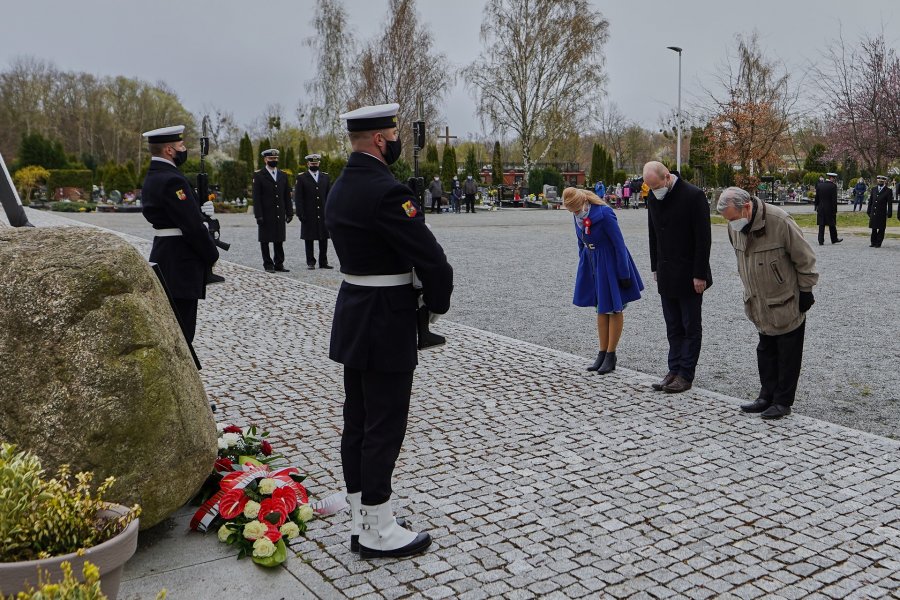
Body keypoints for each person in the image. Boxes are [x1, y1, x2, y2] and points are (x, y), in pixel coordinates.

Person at [325, 103, 453, 559]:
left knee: (357, 420)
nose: (397, 138)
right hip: (385, 318)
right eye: (394, 132)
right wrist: (436, 305)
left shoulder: (340, 186)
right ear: (381, 139)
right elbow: (432, 259)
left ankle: (363, 518)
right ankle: (378, 529)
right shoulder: (385, 190)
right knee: (385, 423)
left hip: (355, 310)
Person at [717, 187, 819, 420]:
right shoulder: (735, 227)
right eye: (728, 220)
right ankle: (766, 395)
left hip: (785, 300)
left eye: (733, 218)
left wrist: (806, 290)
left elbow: (805, 258)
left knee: (788, 353)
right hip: (758, 302)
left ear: (747, 207)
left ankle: (783, 401)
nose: (731, 223)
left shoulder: (779, 221)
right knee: (765, 351)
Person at [140, 125, 219, 343]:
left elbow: (182, 215)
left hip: (166, 256)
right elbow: (191, 226)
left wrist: (202, 213)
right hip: (180, 262)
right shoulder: (172, 179)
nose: (184, 149)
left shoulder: (155, 175)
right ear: (169, 150)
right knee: (183, 334)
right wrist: (211, 253)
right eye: (181, 145)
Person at [643, 161, 712, 394]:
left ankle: (685, 374)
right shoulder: (654, 197)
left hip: (690, 273)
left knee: (690, 325)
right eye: (650, 188)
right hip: (666, 272)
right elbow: (653, 233)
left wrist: (699, 274)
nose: (654, 191)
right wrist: (655, 266)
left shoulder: (693, 196)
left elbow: (703, 239)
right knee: (672, 325)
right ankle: (673, 369)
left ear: (667, 177)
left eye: (656, 186)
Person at [564, 187, 643, 374]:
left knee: (614, 308)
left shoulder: (605, 213)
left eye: (576, 210)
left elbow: (619, 244)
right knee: (601, 308)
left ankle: (611, 354)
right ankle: (601, 352)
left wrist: (624, 273)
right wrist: (584, 264)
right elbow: (580, 242)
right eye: (572, 212)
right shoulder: (577, 215)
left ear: (583, 202)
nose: (576, 214)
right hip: (593, 263)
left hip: (610, 263)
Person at [253, 149, 293, 273]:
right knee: (265, 240)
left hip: (279, 212)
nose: (273, 161)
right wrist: (258, 214)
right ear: (265, 160)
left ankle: (279, 263)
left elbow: (287, 195)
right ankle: (268, 264)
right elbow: (256, 197)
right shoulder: (259, 175)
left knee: (279, 239)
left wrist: (289, 212)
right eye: (271, 159)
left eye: (275, 159)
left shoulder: (283, 175)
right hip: (266, 213)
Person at [294, 153, 332, 269]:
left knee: (324, 238)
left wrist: (330, 212)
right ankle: (310, 262)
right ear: (308, 164)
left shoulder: (325, 177)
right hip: (308, 213)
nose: (314, 165)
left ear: (319, 163)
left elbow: (329, 196)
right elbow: (298, 197)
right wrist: (300, 213)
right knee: (309, 238)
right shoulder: (301, 178)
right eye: (312, 163)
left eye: (316, 163)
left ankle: (323, 262)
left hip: (323, 213)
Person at [814, 172, 842, 246]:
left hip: (821, 207)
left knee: (821, 224)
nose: (835, 180)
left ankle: (820, 240)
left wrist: (816, 206)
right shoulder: (833, 186)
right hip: (829, 208)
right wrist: (835, 210)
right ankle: (834, 239)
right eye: (834, 178)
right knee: (832, 224)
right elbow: (834, 200)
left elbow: (817, 197)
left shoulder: (820, 185)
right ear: (831, 178)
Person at [868, 175, 893, 248]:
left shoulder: (888, 191)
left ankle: (878, 242)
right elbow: (871, 201)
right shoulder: (874, 189)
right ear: (877, 181)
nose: (880, 182)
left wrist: (889, 212)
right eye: (879, 181)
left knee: (881, 228)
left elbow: (889, 203)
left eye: (882, 181)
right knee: (874, 227)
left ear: (884, 182)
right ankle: (873, 242)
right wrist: (868, 210)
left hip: (882, 212)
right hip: (874, 211)